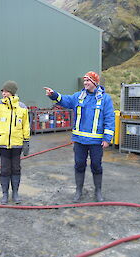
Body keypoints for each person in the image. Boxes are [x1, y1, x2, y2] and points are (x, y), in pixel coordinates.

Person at [44, 71, 115, 202]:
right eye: (84, 81)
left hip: (96, 141)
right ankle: (78, 191)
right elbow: (65, 100)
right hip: (79, 140)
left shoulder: (105, 99)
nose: (85, 83)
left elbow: (109, 118)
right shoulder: (78, 96)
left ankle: (98, 191)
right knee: (79, 164)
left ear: (95, 82)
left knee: (96, 166)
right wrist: (53, 95)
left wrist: (107, 138)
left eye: (88, 80)